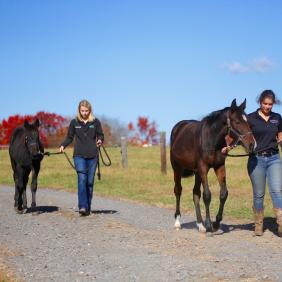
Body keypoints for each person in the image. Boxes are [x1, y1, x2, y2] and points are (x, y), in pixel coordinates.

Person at [59, 100, 104, 216]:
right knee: (82, 180)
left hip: (93, 156)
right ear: (79, 110)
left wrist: (100, 140)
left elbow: (100, 135)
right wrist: (63, 145)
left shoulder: (95, 122)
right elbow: (69, 137)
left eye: (86, 111)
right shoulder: (74, 122)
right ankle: (82, 206)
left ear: (90, 110)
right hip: (79, 156)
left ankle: (88, 206)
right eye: (82, 110)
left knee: (89, 182)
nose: (84, 113)